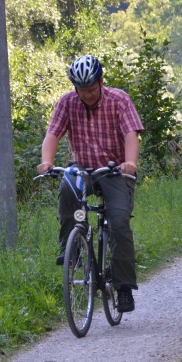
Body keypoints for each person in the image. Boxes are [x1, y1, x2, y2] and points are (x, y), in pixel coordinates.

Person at [37, 55, 144, 313]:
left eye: (92, 89)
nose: (88, 95)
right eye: (82, 90)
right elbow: (53, 134)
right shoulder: (67, 102)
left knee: (119, 221)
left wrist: (130, 162)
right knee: (68, 185)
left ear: (101, 82)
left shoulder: (119, 100)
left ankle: (123, 287)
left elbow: (131, 134)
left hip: (114, 170)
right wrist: (47, 161)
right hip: (83, 167)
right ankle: (71, 246)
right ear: (75, 88)